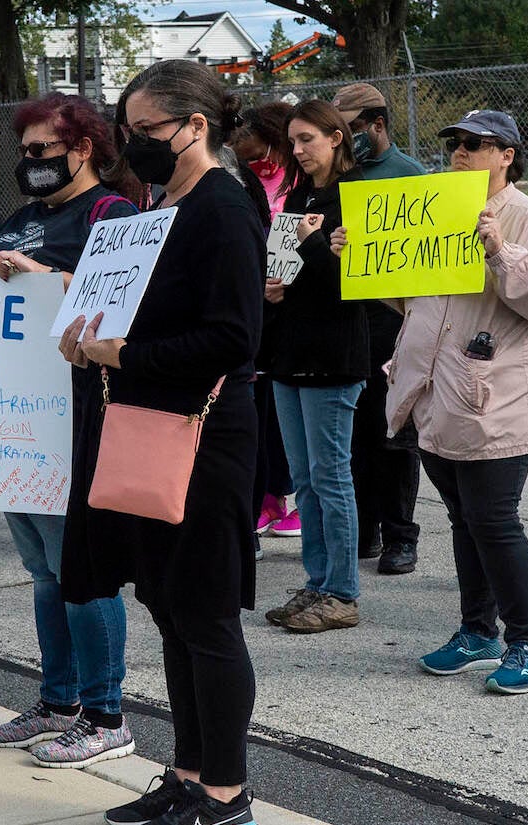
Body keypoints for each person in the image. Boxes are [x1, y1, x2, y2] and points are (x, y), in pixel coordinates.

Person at [60, 59, 264, 825]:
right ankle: (187, 772)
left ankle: (226, 790)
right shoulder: (155, 206)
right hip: (148, 425)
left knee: (206, 615)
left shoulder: (222, 207)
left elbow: (234, 337)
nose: (136, 144)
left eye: (149, 131)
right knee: (169, 608)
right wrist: (87, 341)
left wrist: (126, 355)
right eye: (129, 131)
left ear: (196, 126)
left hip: (204, 432)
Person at [335, 110, 528, 693]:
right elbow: (415, 301)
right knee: (463, 520)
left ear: (507, 155)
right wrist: (360, 257)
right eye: (456, 144)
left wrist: (500, 252)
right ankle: (477, 631)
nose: (462, 153)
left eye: (477, 144)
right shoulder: (436, 209)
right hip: (436, 393)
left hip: (499, 395)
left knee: (493, 520)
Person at [0, 92, 139, 771]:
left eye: (41, 151)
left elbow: (123, 299)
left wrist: (44, 275)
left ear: (82, 148)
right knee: (43, 570)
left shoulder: (113, 214)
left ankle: (106, 711)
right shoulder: (20, 220)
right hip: (12, 417)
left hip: (78, 416)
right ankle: (58, 701)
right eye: (22, 152)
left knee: (82, 568)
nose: (28, 163)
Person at [259, 100, 368, 634]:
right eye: (293, 142)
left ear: (337, 138)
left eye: (307, 140)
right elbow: (291, 275)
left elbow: (352, 287)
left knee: (331, 477)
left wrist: (312, 244)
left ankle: (342, 592)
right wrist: (272, 288)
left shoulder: (359, 198)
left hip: (334, 356)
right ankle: (318, 581)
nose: (298, 151)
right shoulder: (297, 196)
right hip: (290, 354)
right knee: (304, 479)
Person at [333, 82, 428, 576]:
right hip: (347, 314)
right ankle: (363, 530)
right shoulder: (340, 174)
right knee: (353, 432)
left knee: (392, 430)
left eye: (351, 129)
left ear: (377, 124)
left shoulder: (408, 174)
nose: (344, 139)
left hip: (391, 316)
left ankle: (400, 536)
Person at [231, 102, 300, 549]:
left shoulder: (301, 181)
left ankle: (281, 497)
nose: (262, 164)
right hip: (258, 304)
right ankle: (266, 501)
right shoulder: (244, 182)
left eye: (266, 154)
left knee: (282, 419)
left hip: (292, 307)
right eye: (251, 159)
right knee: (259, 411)